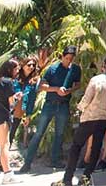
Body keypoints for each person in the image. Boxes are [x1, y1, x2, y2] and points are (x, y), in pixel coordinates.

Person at [55, 55, 106, 186]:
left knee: (76, 145)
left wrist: (79, 107)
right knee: (96, 147)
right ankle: (86, 178)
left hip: (91, 116)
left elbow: (87, 98)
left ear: (104, 64)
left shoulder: (96, 80)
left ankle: (68, 178)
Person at [18, 45, 82, 173]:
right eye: (67, 58)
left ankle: (55, 160)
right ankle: (27, 163)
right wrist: (56, 89)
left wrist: (69, 90)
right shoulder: (53, 69)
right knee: (39, 133)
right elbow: (42, 86)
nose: (69, 61)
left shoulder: (75, 69)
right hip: (50, 104)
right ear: (62, 56)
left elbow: (78, 84)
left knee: (59, 134)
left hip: (63, 104)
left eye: (71, 59)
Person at [0, 55, 40, 176]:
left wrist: (29, 115)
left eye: (33, 65)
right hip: (6, 111)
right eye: (29, 65)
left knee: (8, 140)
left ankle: (1, 164)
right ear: (23, 66)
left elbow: (31, 99)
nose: (31, 67)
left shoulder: (32, 82)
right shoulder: (13, 79)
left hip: (18, 113)